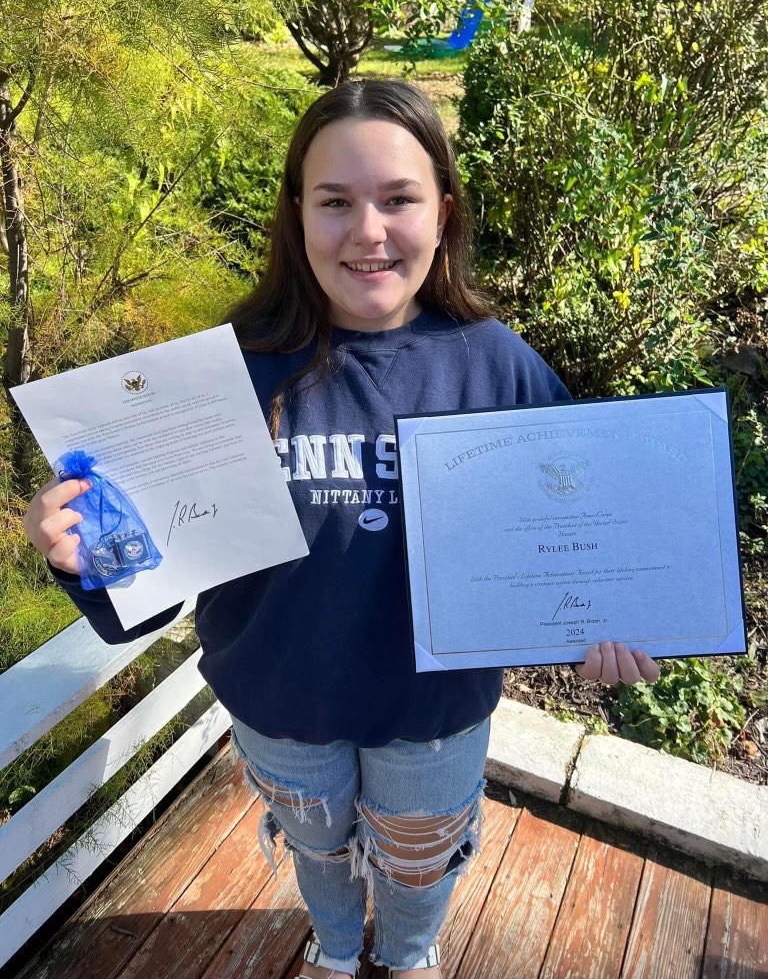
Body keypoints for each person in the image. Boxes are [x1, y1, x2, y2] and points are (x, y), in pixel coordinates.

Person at [24, 78, 660, 979]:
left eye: (398, 198)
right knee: (318, 850)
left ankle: (407, 954)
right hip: (282, 710)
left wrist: (616, 618)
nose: (368, 231)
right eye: (336, 202)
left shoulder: (497, 368)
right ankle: (329, 948)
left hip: (432, 714)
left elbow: (580, 535)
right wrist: (81, 555)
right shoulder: (225, 380)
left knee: (416, 862)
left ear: (442, 212)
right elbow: (143, 596)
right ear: (298, 216)